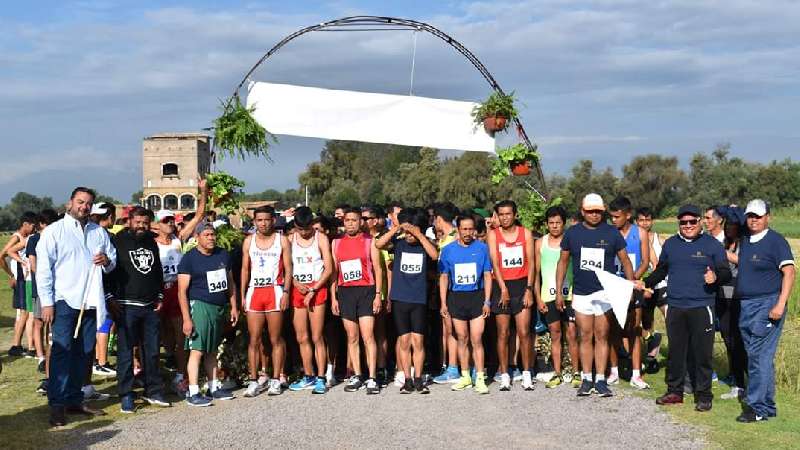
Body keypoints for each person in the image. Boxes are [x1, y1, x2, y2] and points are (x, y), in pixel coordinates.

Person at [36, 187, 117, 427]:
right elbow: (43, 271)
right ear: (70, 202)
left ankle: (74, 399)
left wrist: (107, 261)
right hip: (64, 301)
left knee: (84, 353)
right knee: (62, 352)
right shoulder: (54, 231)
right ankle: (57, 405)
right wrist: (47, 303)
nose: (84, 207)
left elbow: (112, 262)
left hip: (92, 302)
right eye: (80, 202)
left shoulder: (98, 232)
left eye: (88, 203)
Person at [639, 204, 731, 412]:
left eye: (692, 221)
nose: (688, 225)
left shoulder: (712, 245)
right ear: (679, 224)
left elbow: (725, 272)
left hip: (702, 306)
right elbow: (661, 271)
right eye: (683, 222)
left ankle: (704, 395)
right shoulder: (671, 245)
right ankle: (675, 391)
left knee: (702, 353)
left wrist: (715, 277)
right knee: (676, 352)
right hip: (676, 306)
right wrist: (645, 283)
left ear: (700, 222)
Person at [556, 193, 634, 398]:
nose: (594, 215)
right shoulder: (572, 233)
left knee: (602, 336)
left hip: (605, 293)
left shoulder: (611, 232)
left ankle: (600, 379)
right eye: (590, 211)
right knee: (585, 336)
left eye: (598, 211)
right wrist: (558, 292)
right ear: (582, 211)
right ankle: (586, 378)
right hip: (581, 294)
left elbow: (625, 261)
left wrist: (630, 285)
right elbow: (562, 262)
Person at [105, 207, 171, 413]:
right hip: (126, 305)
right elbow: (107, 271)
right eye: (137, 222)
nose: (141, 226)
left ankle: (153, 390)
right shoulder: (117, 241)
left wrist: (160, 295)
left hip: (150, 305)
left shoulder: (151, 241)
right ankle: (126, 394)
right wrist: (110, 297)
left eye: (145, 222)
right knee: (125, 352)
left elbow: (157, 270)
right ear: (129, 221)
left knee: (151, 351)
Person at [735, 199, 795, 423]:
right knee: (759, 356)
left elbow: (789, 273)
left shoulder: (776, 241)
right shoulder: (747, 240)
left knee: (758, 356)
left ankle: (756, 407)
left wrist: (780, 304)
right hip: (746, 304)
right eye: (750, 215)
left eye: (758, 216)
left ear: (768, 217)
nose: (754, 220)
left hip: (767, 305)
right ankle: (768, 405)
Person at [177, 221, 239, 406]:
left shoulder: (223, 254)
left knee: (212, 350)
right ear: (197, 238)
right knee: (197, 350)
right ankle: (193, 391)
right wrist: (187, 319)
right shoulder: (189, 258)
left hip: (218, 307)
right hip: (200, 306)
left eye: (213, 234)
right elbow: (182, 291)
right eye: (207, 235)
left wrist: (233, 306)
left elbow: (230, 283)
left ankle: (214, 386)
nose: (211, 238)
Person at [154, 180, 207, 397]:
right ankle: (154, 373)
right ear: (157, 224)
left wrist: (203, 191)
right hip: (159, 291)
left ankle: (179, 375)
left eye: (172, 220)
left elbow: (199, 215)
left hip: (177, 290)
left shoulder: (178, 239)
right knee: (159, 336)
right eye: (165, 221)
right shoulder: (151, 242)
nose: (170, 224)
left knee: (180, 336)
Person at [376, 207, 438, 394]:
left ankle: (419, 378)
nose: (409, 235)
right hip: (400, 299)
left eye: (413, 230)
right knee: (404, 341)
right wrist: (397, 228)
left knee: (418, 341)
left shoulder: (424, 244)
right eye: (408, 232)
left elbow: (434, 255)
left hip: (418, 299)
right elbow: (379, 244)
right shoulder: (399, 243)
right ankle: (407, 379)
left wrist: (419, 235)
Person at [240, 206, 292, 397]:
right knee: (254, 339)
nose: (263, 223)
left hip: (275, 291)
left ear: (273, 220)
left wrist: (286, 292)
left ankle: (276, 379)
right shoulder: (249, 241)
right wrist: (243, 294)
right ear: (254, 222)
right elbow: (245, 269)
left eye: (266, 220)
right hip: (255, 292)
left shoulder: (282, 240)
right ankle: (254, 380)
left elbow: (288, 268)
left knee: (275, 338)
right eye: (259, 220)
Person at [331, 208, 384, 394]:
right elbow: (334, 273)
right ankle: (357, 375)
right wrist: (333, 298)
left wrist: (378, 294)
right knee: (351, 337)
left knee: (368, 336)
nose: (350, 224)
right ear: (343, 222)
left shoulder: (370, 242)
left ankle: (372, 377)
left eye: (354, 220)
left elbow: (378, 269)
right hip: (345, 292)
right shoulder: (336, 243)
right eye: (347, 220)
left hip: (366, 291)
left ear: (361, 222)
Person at [439, 215, 492, 394]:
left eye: (471, 229)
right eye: (464, 229)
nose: (468, 233)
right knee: (462, 338)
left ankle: (479, 377)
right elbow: (444, 277)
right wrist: (443, 303)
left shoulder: (482, 248)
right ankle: (465, 375)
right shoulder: (448, 250)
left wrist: (487, 301)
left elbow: (487, 275)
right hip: (456, 298)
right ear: (458, 230)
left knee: (477, 338)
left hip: (476, 297)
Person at [487, 200, 535, 391]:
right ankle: (505, 374)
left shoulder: (526, 233)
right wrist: (503, 288)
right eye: (501, 214)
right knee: (503, 333)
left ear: (515, 214)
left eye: (508, 214)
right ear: (497, 216)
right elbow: (495, 263)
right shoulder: (493, 235)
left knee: (524, 332)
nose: (505, 217)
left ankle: (526, 373)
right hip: (502, 286)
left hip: (522, 284)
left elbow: (532, 263)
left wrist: (529, 289)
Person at [287, 207, 333, 395]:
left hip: (316, 289)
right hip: (298, 289)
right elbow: (286, 267)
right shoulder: (290, 240)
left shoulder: (320, 238)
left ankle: (321, 377)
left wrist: (314, 289)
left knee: (317, 336)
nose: (304, 233)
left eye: (307, 229)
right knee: (302, 337)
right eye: (300, 229)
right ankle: (309, 375)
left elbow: (329, 268)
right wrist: (296, 283)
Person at [607, 196, 650, 389]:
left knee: (634, 330)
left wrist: (631, 281)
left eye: (617, 217)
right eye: (612, 217)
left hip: (633, 287)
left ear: (628, 215)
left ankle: (635, 374)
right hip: (612, 287)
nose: (614, 220)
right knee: (613, 331)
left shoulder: (640, 233)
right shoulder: (608, 233)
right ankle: (614, 371)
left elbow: (645, 262)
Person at [535, 206, 580, 389]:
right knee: (555, 333)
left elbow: (577, 271)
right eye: (551, 223)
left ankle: (577, 372)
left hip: (569, 295)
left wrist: (576, 294)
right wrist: (538, 298)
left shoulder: (570, 241)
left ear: (564, 223)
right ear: (546, 224)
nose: (554, 226)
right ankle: (557, 373)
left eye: (558, 223)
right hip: (548, 296)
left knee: (571, 333)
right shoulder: (540, 243)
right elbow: (536, 273)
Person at [716, 206, 747, 401]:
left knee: (739, 341)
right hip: (723, 295)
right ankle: (737, 383)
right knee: (728, 340)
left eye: (733, 225)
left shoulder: (746, 243)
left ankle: (747, 382)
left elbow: (745, 263)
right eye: (727, 225)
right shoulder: (725, 243)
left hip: (739, 296)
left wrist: (724, 254)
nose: (729, 228)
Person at [26, 209, 59, 387]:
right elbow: (33, 263)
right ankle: (41, 356)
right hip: (41, 288)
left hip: (57, 290)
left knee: (52, 329)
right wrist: (45, 281)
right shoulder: (34, 239)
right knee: (39, 323)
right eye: (46, 223)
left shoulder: (56, 237)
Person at [431, 202, 461, 384]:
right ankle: (451, 366)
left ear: (439, 219)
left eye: (434, 219)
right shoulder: (446, 238)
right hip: (445, 290)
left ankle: (454, 368)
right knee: (447, 330)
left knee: (453, 331)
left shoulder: (454, 238)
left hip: (453, 290)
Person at [636, 207, 667, 372]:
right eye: (641, 220)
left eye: (647, 220)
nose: (644, 223)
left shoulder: (659, 239)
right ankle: (651, 357)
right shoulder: (633, 239)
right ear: (636, 221)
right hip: (643, 287)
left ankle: (677, 356)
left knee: (670, 317)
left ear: (652, 221)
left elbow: (657, 263)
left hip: (660, 286)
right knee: (646, 323)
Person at [3, 211, 37, 357]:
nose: (34, 228)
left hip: (24, 277)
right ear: (25, 224)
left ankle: (19, 345)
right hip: (22, 278)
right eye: (32, 225)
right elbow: (3, 254)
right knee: (25, 312)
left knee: (24, 313)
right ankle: (18, 345)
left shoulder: (26, 238)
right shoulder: (17, 237)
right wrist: (11, 274)